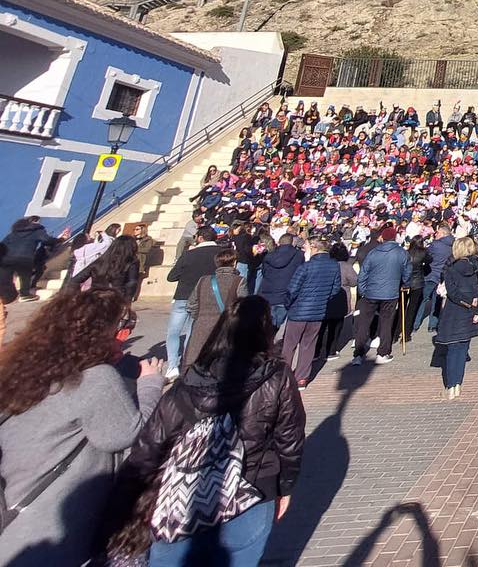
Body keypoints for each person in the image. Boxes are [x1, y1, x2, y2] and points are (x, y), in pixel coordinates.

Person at [114, 298, 304, 567]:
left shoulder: (191, 378)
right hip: (253, 488)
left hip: (184, 495)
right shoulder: (278, 376)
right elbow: (290, 439)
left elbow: (151, 444)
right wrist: (286, 486)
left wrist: (129, 496)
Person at [0, 287, 164, 564]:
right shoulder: (97, 379)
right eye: (121, 327)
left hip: (16, 514)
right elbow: (128, 434)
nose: (123, 337)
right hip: (52, 525)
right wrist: (151, 385)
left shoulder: (28, 368)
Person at [282, 238, 342, 388]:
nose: (305, 247)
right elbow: (335, 289)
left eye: (307, 245)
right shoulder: (334, 266)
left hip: (298, 312)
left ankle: (284, 376)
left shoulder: (306, 267)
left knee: (289, 345)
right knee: (308, 345)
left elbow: (292, 290)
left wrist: (288, 304)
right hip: (318, 311)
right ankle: (302, 378)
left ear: (314, 247)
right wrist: (322, 300)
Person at [352, 224, 412, 366]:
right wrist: (405, 284)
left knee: (364, 323)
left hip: (372, 292)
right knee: (386, 323)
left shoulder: (374, 252)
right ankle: (382, 352)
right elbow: (407, 272)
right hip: (390, 293)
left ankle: (358, 355)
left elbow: (363, 274)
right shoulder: (402, 253)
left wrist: (363, 290)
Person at [165, 225, 220, 379]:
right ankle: (187, 363)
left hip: (184, 295)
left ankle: (172, 366)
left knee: (174, 332)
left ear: (200, 238)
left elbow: (171, 277)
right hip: (205, 296)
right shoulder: (221, 253)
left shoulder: (189, 254)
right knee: (192, 331)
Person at [434, 236, 478, 398]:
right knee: (462, 348)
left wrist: (468, 302)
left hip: (454, 310)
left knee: (453, 348)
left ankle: (451, 384)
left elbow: (452, 291)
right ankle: (458, 384)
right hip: (472, 310)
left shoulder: (451, 267)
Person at [184, 244, 245, 370]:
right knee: (220, 366)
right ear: (234, 263)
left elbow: (191, 305)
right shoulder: (239, 281)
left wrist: (201, 317)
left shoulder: (203, 280)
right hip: (225, 328)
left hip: (201, 327)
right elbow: (243, 308)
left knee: (195, 363)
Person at [254, 232, 303, 328]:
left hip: (268, 292)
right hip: (285, 294)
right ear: (292, 243)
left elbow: (264, 272)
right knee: (277, 327)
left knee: (265, 325)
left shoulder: (269, 255)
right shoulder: (299, 255)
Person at [417, 224, 453, 331]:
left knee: (423, 300)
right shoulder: (453, 245)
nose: (436, 234)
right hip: (442, 276)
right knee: (436, 301)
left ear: (442, 233)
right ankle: (433, 325)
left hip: (431, 275)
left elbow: (426, 255)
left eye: (437, 233)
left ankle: (416, 323)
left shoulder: (435, 245)